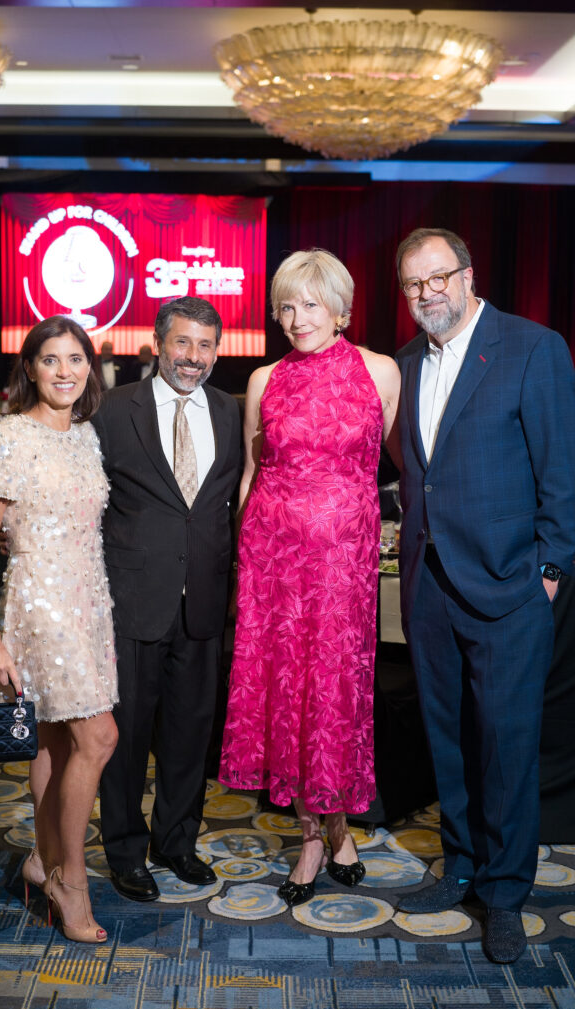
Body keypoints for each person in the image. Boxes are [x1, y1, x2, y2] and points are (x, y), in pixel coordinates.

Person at [391, 228, 575, 963]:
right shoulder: (407, 362)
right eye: (413, 284)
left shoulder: (532, 347)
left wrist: (549, 573)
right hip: (431, 582)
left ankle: (505, 893)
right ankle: (463, 865)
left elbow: (563, 474)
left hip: (510, 584)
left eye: (438, 277)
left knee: (507, 746)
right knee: (448, 737)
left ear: (467, 275)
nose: (426, 293)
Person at [219, 249, 400, 908]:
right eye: (286, 307)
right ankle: (313, 837)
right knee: (285, 693)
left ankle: (340, 822)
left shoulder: (380, 371)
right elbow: (249, 471)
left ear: (340, 307)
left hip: (343, 562)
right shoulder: (265, 379)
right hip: (274, 558)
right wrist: (242, 560)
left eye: (310, 305)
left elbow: (391, 467)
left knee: (335, 691)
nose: (297, 319)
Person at [0, 315, 119, 944]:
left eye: (76, 360)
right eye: (51, 360)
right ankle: (71, 879)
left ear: (91, 368)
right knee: (99, 738)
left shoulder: (85, 435)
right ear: (29, 367)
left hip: (90, 602)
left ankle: (42, 857)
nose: (65, 372)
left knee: (57, 743)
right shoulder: (4, 439)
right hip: (38, 603)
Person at [95, 296, 242, 902]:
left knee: (190, 733)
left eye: (207, 346)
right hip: (132, 599)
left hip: (204, 600)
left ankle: (176, 842)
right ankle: (126, 850)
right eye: (183, 343)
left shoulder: (231, 412)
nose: (194, 358)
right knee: (126, 737)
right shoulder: (111, 409)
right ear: (158, 344)